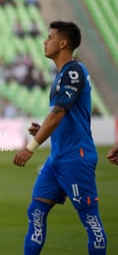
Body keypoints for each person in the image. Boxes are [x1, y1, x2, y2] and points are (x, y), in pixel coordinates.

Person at [13, 21, 107, 254]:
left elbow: (59, 112)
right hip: (57, 159)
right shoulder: (61, 74)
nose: (45, 42)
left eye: (50, 37)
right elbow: (61, 116)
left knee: (90, 220)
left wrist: (31, 146)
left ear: (62, 43)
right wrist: (42, 130)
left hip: (77, 157)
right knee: (35, 212)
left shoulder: (73, 72)